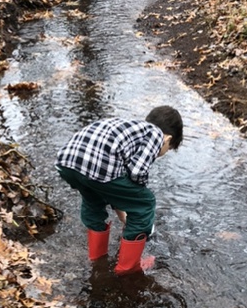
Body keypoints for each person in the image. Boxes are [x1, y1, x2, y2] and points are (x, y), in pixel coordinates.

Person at [55, 106, 183, 274]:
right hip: (97, 166)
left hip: (68, 163)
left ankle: (97, 258)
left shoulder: (128, 126)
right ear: (168, 139)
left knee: (94, 200)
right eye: (167, 149)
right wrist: (136, 202)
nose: (161, 153)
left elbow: (114, 189)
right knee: (145, 202)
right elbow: (137, 173)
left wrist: (123, 210)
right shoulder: (156, 134)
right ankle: (128, 268)